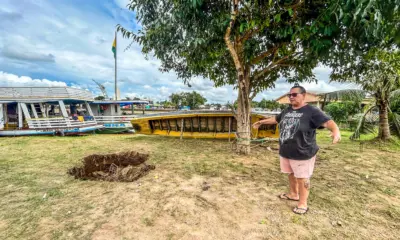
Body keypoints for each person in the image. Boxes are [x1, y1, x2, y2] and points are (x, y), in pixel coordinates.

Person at [252, 85, 341, 214]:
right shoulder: (287, 110)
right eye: (290, 95)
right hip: (287, 151)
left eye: (294, 95)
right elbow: (276, 119)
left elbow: (327, 122)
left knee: (303, 178)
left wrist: (336, 131)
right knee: (292, 174)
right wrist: (262, 122)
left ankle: (303, 204)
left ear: (303, 96)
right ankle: (294, 194)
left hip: (303, 152)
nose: (291, 97)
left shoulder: (312, 111)